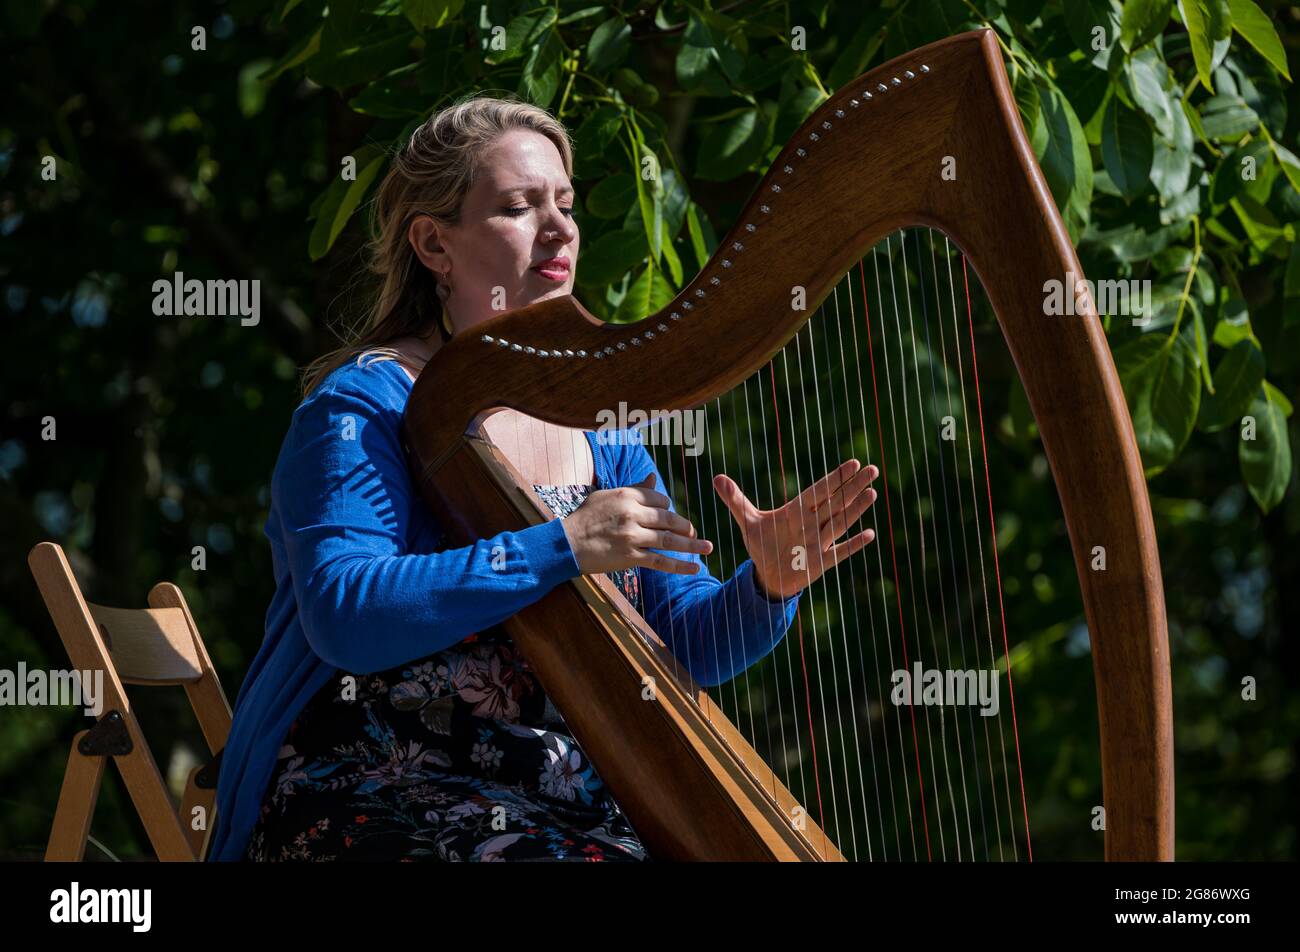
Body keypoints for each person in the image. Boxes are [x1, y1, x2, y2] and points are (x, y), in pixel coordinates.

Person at [207, 95, 880, 862]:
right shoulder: (363, 407)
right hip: (376, 796)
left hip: (561, 809)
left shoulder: (605, 438)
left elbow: (682, 649)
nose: (559, 228)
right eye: (518, 207)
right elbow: (346, 613)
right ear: (433, 243)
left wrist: (766, 587)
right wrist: (563, 546)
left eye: (564, 203)